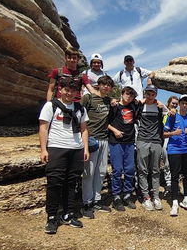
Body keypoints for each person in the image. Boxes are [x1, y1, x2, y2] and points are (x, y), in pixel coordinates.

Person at [38, 77, 90, 234]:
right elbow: (43, 128)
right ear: (60, 90)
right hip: (56, 148)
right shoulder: (51, 106)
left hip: (76, 149)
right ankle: (52, 217)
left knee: (72, 182)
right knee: (54, 182)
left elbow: (84, 130)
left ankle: (68, 214)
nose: (69, 93)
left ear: (77, 93)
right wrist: (43, 149)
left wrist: (85, 148)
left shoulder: (80, 109)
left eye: (73, 91)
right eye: (67, 90)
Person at [80, 76, 114, 219]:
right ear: (98, 85)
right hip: (91, 139)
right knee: (89, 172)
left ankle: (96, 200)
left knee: (100, 172)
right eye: (103, 84)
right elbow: (80, 116)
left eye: (108, 85)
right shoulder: (89, 98)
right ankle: (86, 203)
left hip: (104, 139)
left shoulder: (109, 101)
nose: (105, 87)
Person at [107, 87, 140, 212]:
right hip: (116, 142)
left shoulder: (133, 106)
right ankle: (116, 197)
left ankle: (127, 195)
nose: (128, 97)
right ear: (122, 94)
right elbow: (106, 122)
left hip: (130, 142)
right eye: (127, 94)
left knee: (130, 170)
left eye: (131, 96)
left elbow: (145, 101)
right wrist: (115, 130)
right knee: (117, 170)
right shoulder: (114, 106)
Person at [136, 85, 166, 211]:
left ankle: (156, 196)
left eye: (152, 94)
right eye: (148, 94)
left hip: (156, 141)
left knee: (155, 170)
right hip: (142, 140)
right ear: (145, 94)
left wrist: (162, 104)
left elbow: (170, 112)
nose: (150, 96)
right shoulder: (140, 106)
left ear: (156, 95)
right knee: (142, 170)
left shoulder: (159, 107)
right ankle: (146, 197)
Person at [163, 94, 187, 216]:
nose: (185, 105)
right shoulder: (172, 116)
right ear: (179, 104)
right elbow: (164, 134)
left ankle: (186, 198)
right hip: (174, 150)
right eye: (183, 103)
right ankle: (175, 202)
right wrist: (174, 133)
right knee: (174, 176)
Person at [161, 96, 179, 199]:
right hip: (167, 138)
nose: (174, 105)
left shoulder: (179, 113)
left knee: (176, 165)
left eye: (176, 103)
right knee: (167, 163)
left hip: (176, 139)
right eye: (173, 103)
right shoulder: (164, 112)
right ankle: (168, 185)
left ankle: (175, 185)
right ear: (169, 103)